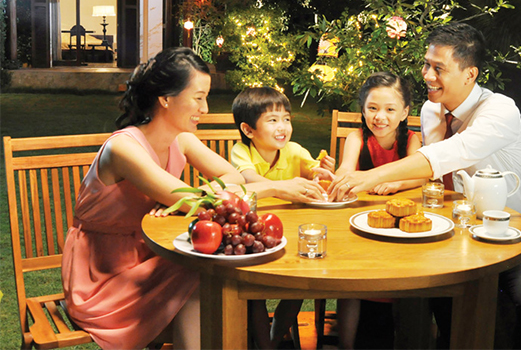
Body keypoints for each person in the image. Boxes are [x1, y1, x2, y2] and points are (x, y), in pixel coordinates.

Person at [330, 23, 521, 349]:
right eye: (426, 64)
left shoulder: (499, 110)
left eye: (439, 68)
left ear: (470, 74)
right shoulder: (430, 110)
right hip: (448, 231)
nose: (427, 75)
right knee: (443, 306)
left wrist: (369, 177)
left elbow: (448, 154)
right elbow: (431, 174)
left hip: (505, 229)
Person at [61, 47, 246, 350]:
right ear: (166, 99)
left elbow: (234, 177)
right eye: (198, 98)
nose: (205, 108)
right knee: (203, 272)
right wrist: (184, 198)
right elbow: (196, 202)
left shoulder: (182, 139)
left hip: (151, 259)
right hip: (102, 276)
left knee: (212, 272)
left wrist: (178, 198)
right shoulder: (123, 148)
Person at [230, 86, 336, 349]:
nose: (283, 127)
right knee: (253, 293)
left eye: (286, 119)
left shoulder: (294, 150)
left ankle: (275, 338)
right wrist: (285, 186)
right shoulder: (241, 152)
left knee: (299, 288)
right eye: (273, 120)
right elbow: (248, 180)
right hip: (255, 236)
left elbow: (314, 172)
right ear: (248, 130)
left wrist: (322, 171)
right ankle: (264, 345)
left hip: (291, 233)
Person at [334, 71, 426, 348]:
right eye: (372, 108)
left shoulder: (410, 140)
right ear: (363, 110)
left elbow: (421, 176)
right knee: (350, 277)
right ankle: (347, 343)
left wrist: (397, 183)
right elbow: (345, 170)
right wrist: (337, 175)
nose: (380, 117)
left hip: (400, 228)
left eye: (390, 109)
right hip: (359, 225)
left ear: (405, 112)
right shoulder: (357, 138)